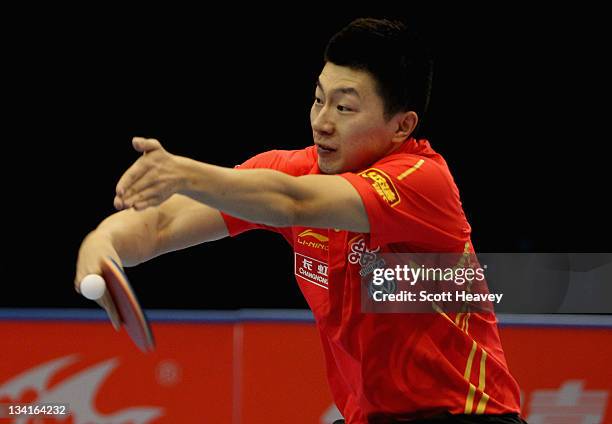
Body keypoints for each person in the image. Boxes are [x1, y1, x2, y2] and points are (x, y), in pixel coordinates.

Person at [76, 18, 525, 424]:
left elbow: (293, 203)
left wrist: (185, 172)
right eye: (318, 100)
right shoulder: (294, 170)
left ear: (402, 126)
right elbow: (160, 225)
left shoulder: (422, 181)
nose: (322, 122)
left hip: (467, 416)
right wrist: (102, 242)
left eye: (344, 109)